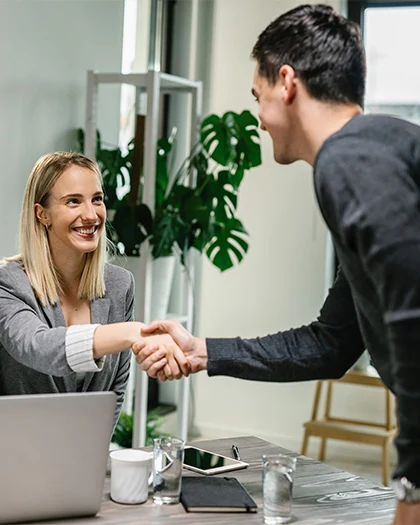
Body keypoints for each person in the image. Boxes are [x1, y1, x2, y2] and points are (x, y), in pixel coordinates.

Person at [134, 4, 420, 524]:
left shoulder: (348, 159)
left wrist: (412, 488)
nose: (259, 118)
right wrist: (201, 351)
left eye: (257, 96)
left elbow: (412, 322)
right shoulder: (378, 152)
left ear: (286, 82)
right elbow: (331, 345)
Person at [0, 151, 187, 428]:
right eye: (73, 201)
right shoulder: (8, 283)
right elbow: (38, 347)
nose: (91, 215)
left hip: (87, 451)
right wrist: (134, 332)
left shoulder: (119, 285)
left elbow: (115, 391)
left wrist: (94, 448)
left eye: (97, 199)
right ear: (42, 214)